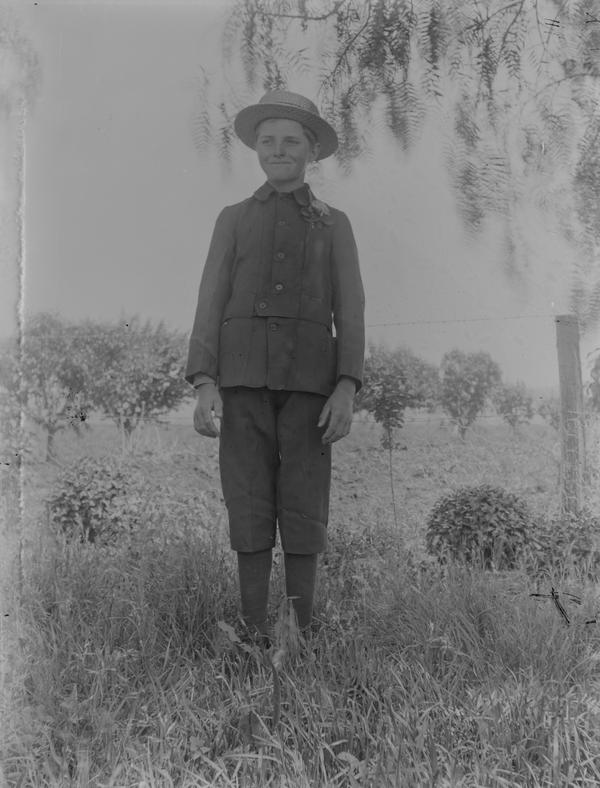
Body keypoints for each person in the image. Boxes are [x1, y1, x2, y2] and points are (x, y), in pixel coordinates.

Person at [185, 90, 365, 644]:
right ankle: (252, 631)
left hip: (311, 388)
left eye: (291, 141)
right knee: (247, 499)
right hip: (240, 383)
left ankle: (297, 635)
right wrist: (205, 381)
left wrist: (346, 386)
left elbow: (351, 309)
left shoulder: (334, 224)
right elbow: (210, 300)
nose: (278, 150)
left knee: (304, 503)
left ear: (312, 150)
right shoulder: (233, 219)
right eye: (268, 141)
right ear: (256, 149)